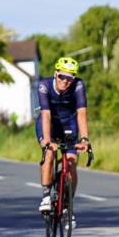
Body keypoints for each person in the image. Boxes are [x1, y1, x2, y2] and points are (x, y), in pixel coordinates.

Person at [36, 57, 91, 217]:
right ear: (55, 74)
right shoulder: (44, 86)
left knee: (72, 163)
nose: (65, 81)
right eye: (62, 76)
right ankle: (46, 196)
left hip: (69, 124)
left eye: (70, 78)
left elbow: (82, 114)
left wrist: (85, 139)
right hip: (49, 124)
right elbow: (45, 114)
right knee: (49, 154)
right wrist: (47, 140)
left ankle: (68, 204)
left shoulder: (78, 86)